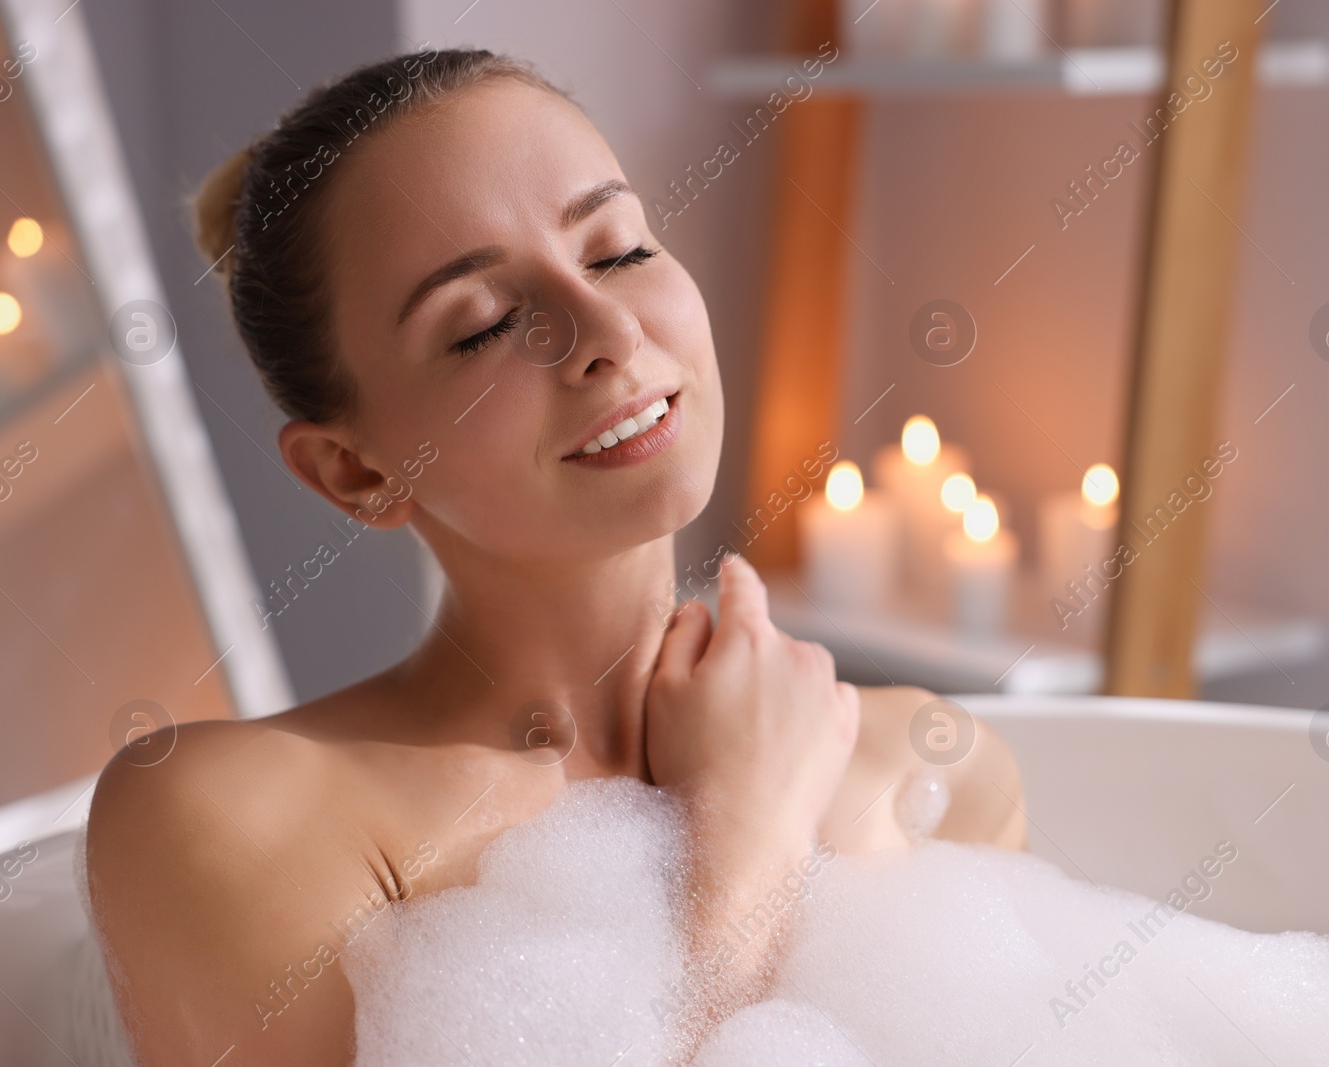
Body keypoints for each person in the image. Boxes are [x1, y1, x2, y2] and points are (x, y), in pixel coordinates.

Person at [84, 47, 1028, 1066]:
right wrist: (749, 839)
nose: (607, 330)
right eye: (482, 324)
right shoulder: (238, 817)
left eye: (617, 249)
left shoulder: (927, 763)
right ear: (355, 472)